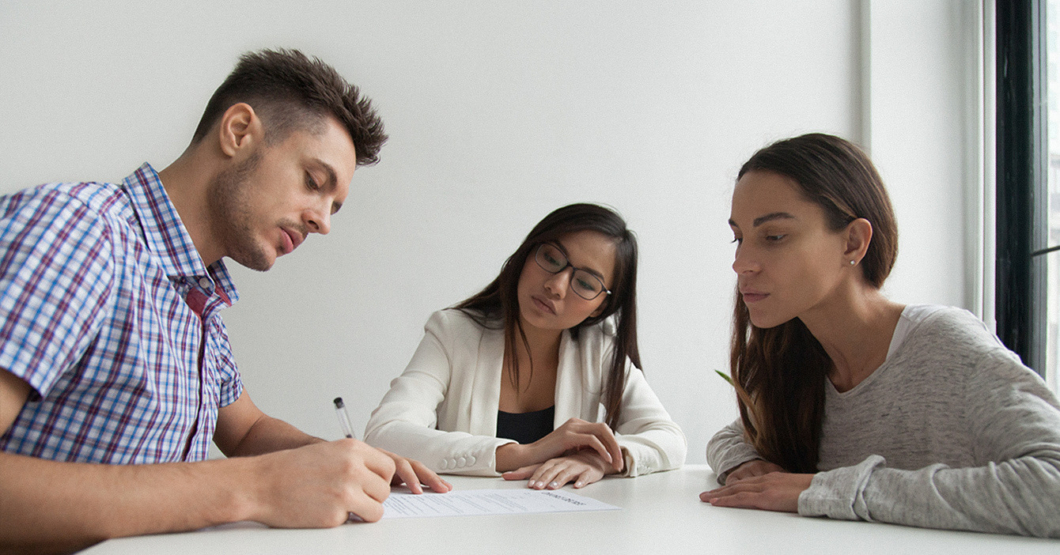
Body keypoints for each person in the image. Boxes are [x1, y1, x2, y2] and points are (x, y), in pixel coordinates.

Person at [0, 48, 448, 554]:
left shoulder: (197, 295)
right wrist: (257, 488)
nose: (323, 220)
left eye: (333, 206)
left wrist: (346, 462)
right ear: (238, 131)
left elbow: (247, 430)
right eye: (313, 182)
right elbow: (251, 469)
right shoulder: (79, 234)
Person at [701, 133, 1060, 537]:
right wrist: (744, 465)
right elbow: (733, 436)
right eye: (739, 237)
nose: (741, 263)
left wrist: (826, 489)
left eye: (774, 237)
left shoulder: (945, 346)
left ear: (853, 242)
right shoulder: (797, 355)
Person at [365, 203, 686, 490]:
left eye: (586, 283)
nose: (556, 286)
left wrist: (601, 459)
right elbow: (386, 433)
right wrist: (524, 453)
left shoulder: (599, 351)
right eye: (551, 258)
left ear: (601, 307)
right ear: (527, 253)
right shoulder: (452, 332)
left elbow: (671, 441)